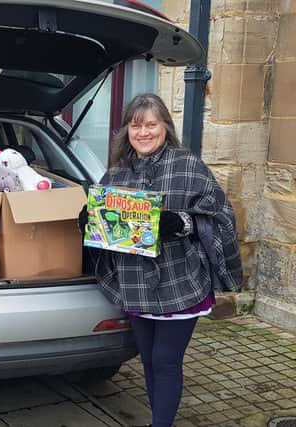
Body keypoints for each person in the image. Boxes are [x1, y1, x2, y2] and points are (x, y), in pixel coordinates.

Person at [78, 94, 242, 427]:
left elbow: (222, 216)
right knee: (150, 361)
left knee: (166, 360)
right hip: (135, 282)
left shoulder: (188, 165)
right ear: (127, 130)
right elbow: (107, 225)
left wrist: (181, 222)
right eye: (136, 125)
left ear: (165, 126)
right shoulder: (117, 173)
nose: (143, 132)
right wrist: (88, 219)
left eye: (151, 124)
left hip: (179, 281)